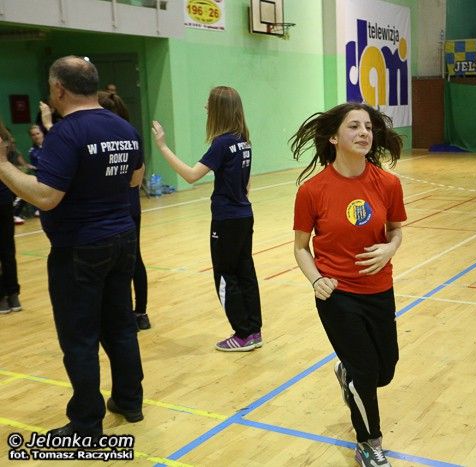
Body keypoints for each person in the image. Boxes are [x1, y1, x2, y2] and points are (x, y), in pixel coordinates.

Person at [0, 55, 146, 438]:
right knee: (120, 326)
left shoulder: (66, 133)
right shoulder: (124, 127)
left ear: (59, 89)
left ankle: (85, 423)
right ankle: (129, 401)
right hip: (122, 239)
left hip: (80, 247)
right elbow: (135, 179)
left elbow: (46, 197)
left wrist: (3, 165)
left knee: (79, 337)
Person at [290, 102, 406, 467]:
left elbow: (396, 231)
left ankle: (346, 374)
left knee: (385, 371)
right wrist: (317, 280)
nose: (364, 133)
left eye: (368, 127)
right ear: (333, 137)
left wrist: (389, 248)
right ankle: (369, 443)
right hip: (337, 295)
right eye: (354, 126)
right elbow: (300, 247)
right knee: (366, 373)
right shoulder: (312, 190)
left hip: (379, 290)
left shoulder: (388, 184)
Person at [151, 85, 262, 351]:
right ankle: (253, 331)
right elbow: (247, 185)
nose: (205, 108)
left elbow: (191, 176)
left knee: (225, 275)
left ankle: (242, 334)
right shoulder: (243, 140)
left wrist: (162, 147)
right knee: (245, 272)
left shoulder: (222, 143)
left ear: (219, 110)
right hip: (244, 215)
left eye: (209, 104)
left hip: (226, 220)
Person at [98, 91, 151, 331]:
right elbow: (137, 177)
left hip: (114, 206)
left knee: (113, 262)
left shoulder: (99, 137)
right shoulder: (131, 134)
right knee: (133, 258)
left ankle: (123, 314)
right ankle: (140, 313)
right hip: (131, 204)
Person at [0, 122, 20, 313]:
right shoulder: (6, 139)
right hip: (5, 199)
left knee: (6, 250)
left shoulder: (5, 140)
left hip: (3, 198)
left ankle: (6, 296)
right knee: (7, 249)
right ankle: (12, 295)